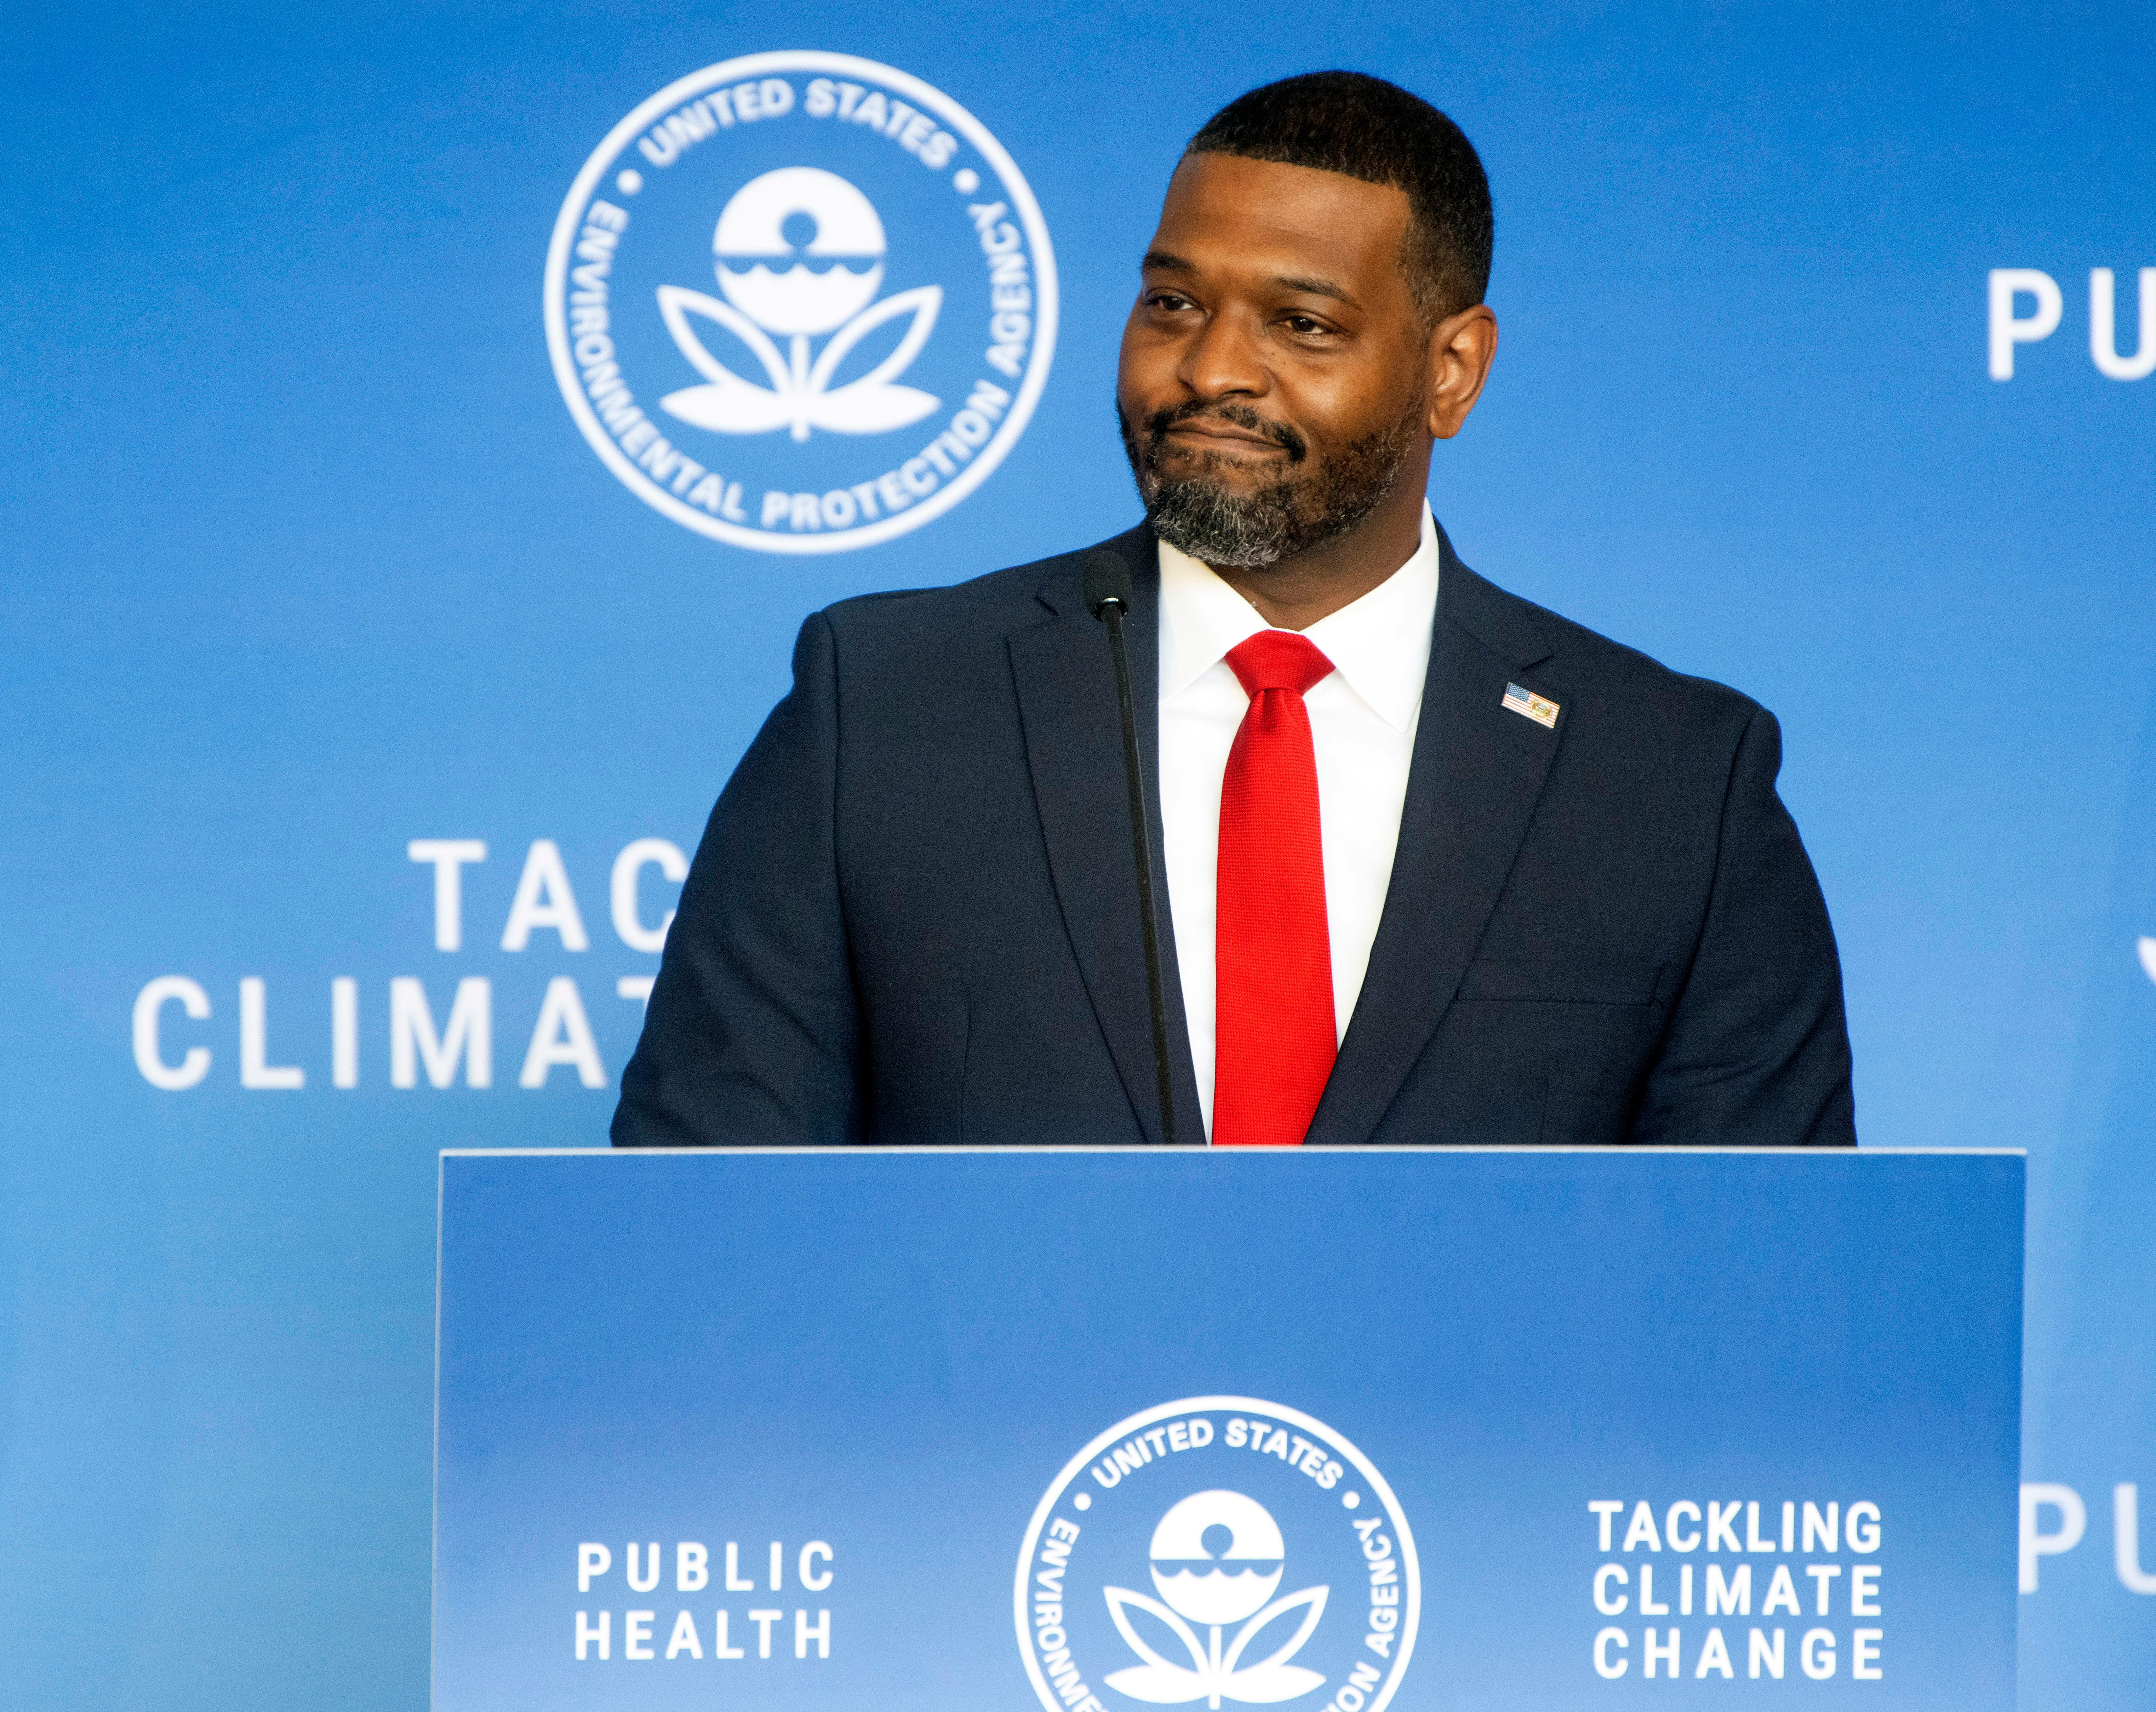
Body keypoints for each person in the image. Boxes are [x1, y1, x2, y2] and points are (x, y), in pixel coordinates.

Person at [613, 70, 1854, 1149]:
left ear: (1450, 370)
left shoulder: (1672, 783)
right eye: (1172, 304)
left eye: (1300, 324)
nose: (1210, 368)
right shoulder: (882, 706)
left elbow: (1764, 1303)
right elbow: (697, 1236)